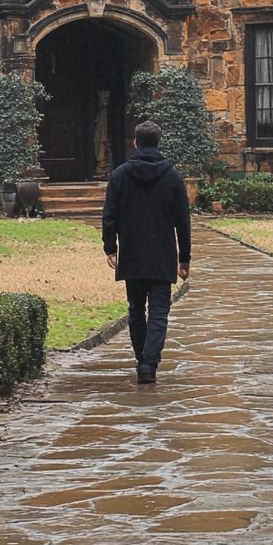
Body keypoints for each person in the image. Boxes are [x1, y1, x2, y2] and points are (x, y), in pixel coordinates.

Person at [101, 119, 191, 384]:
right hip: (162, 253)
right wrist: (184, 258)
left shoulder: (119, 176)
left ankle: (143, 359)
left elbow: (109, 216)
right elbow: (183, 222)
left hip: (132, 251)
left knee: (136, 310)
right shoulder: (173, 178)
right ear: (158, 143)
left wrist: (110, 247)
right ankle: (149, 363)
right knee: (159, 311)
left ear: (136, 143)